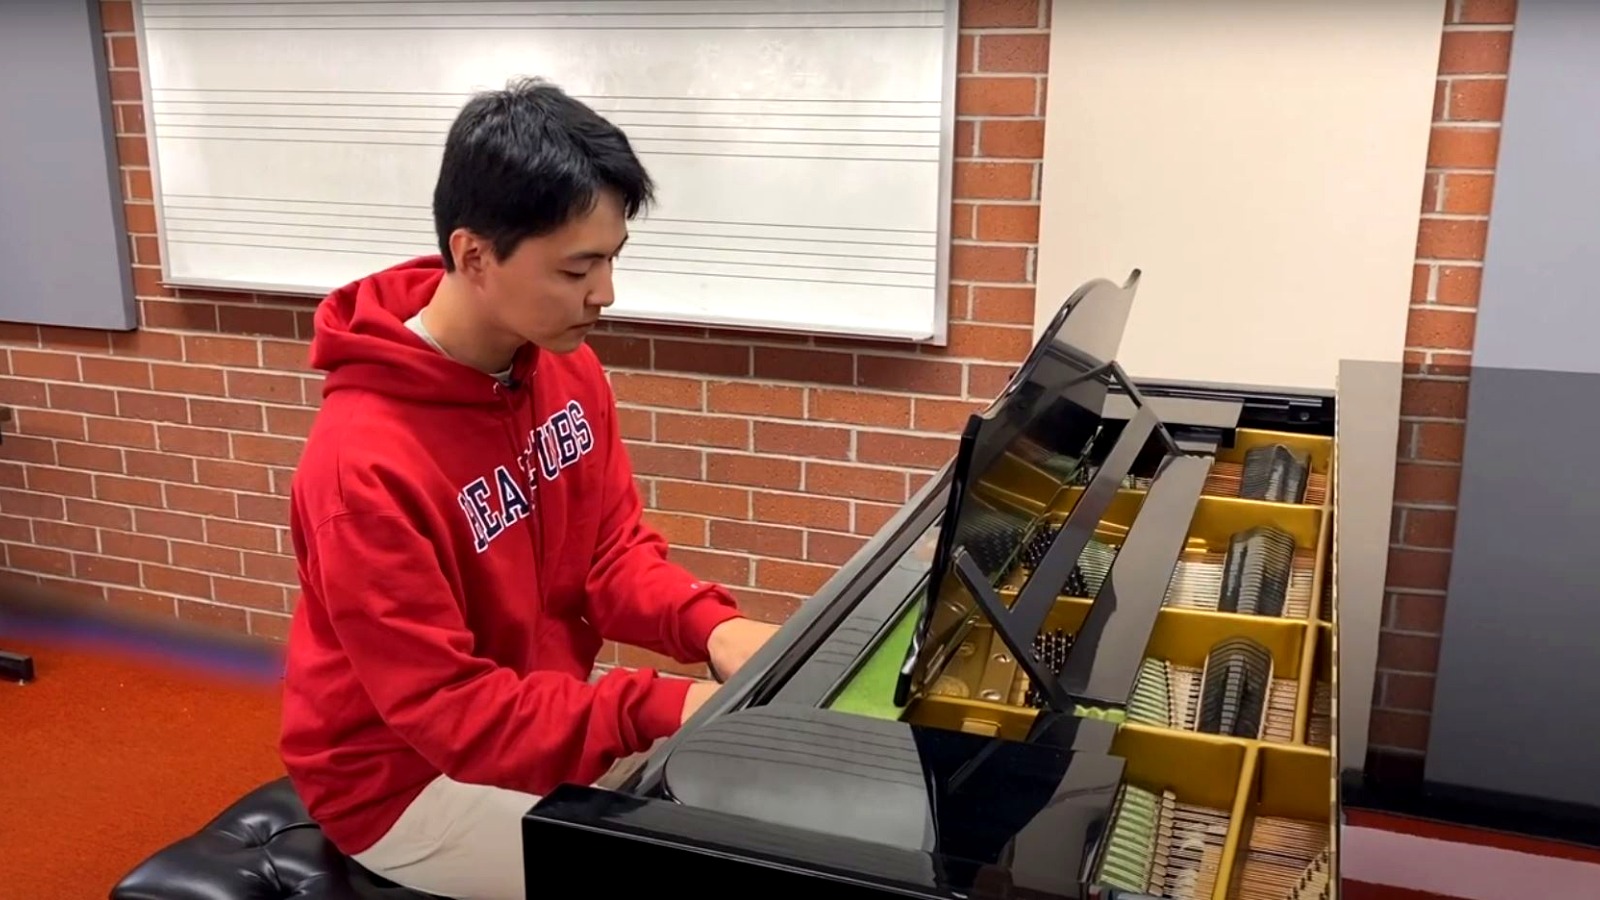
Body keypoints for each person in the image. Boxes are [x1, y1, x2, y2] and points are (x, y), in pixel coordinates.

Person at [277, 77, 780, 900]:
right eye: (578, 267)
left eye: (613, 258)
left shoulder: (565, 367)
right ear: (475, 255)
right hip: (404, 784)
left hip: (529, 713)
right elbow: (454, 714)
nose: (606, 294)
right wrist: (651, 709)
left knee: (769, 818)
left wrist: (714, 629)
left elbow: (610, 556)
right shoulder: (362, 465)